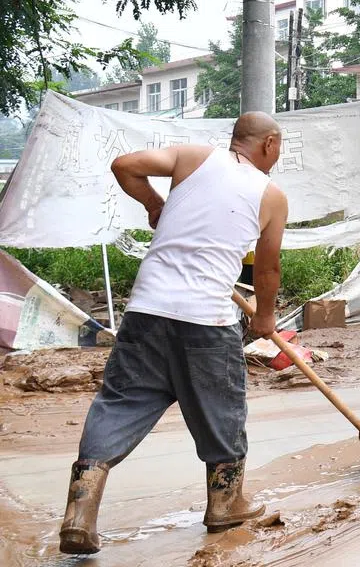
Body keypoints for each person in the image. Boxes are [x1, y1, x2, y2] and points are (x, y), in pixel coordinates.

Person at [58, 112, 289, 555]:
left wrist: (153, 204)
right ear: (268, 144)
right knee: (221, 409)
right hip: (207, 320)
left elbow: (125, 164)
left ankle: (79, 514)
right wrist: (264, 317)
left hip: (146, 310)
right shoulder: (272, 196)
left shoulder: (191, 157)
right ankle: (225, 504)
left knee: (121, 403)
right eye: (279, 149)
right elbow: (268, 266)